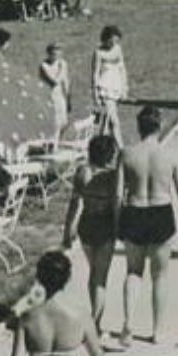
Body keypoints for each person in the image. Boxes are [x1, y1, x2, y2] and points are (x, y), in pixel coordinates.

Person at [117, 106, 178, 346]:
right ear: (159, 127)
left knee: (133, 271)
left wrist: (115, 221)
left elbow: (117, 194)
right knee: (160, 276)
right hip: (161, 213)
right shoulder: (169, 155)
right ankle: (158, 331)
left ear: (139, 127)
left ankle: (128, 322)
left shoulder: (127, 154)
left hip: (134, 210)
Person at [63, 135, 122, 330]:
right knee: (100, 278)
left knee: (93, 274)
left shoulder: (82, 172)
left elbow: (74, 203)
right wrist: (118, 228)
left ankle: (94, 320)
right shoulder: (113, 176)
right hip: (105, 226)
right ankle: (94, 323)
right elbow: (116, 205)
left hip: (87, 225)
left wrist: (68, 230)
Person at [90, 26, 129, 143]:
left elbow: (122, 68)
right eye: (111, 41)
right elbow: (95, 73)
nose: (113, 43)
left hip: (116, 87)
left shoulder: (118, 49)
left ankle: (103, 146)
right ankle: (121, 148)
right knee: (113, 120)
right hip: (105, 89)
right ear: (105, 39)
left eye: (116, 41)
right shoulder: (98, 52)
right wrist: (95, 93)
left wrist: (125, 87)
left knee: (107, 121)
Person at [39, 43, 70, 146]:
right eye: (53, 54)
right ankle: (52, 145)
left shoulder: (62, 64)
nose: (56, 56)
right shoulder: (44, 66)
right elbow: (54, 81)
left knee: (64, 122)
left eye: (58, 53)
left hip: (60, 97)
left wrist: (68, 97)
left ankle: (57, 143)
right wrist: (62, 68)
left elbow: (65, 82)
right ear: (49, 54)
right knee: (54, 123)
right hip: (49, 97)